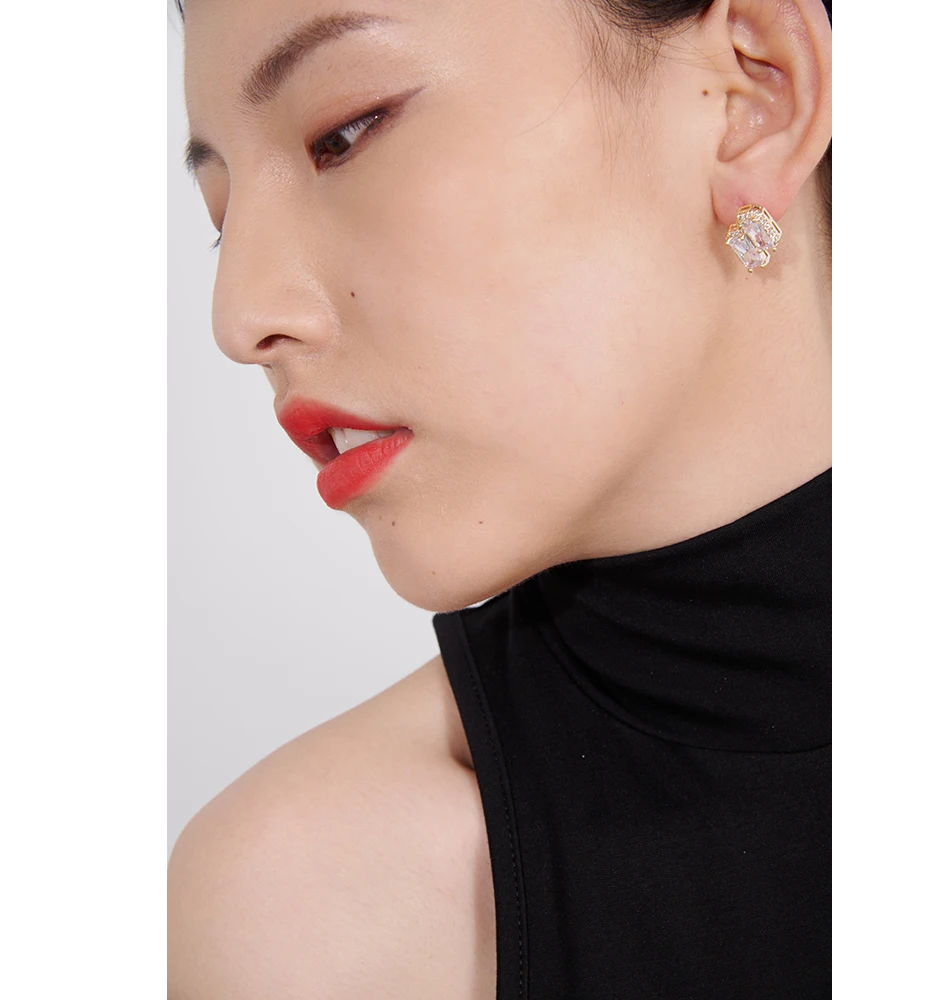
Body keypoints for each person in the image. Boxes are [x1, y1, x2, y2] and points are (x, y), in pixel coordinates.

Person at [168, 0, 832, 996]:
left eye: (342, 134)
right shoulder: (324, 919)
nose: (241, 316)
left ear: (753, 91)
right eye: (222, 222)